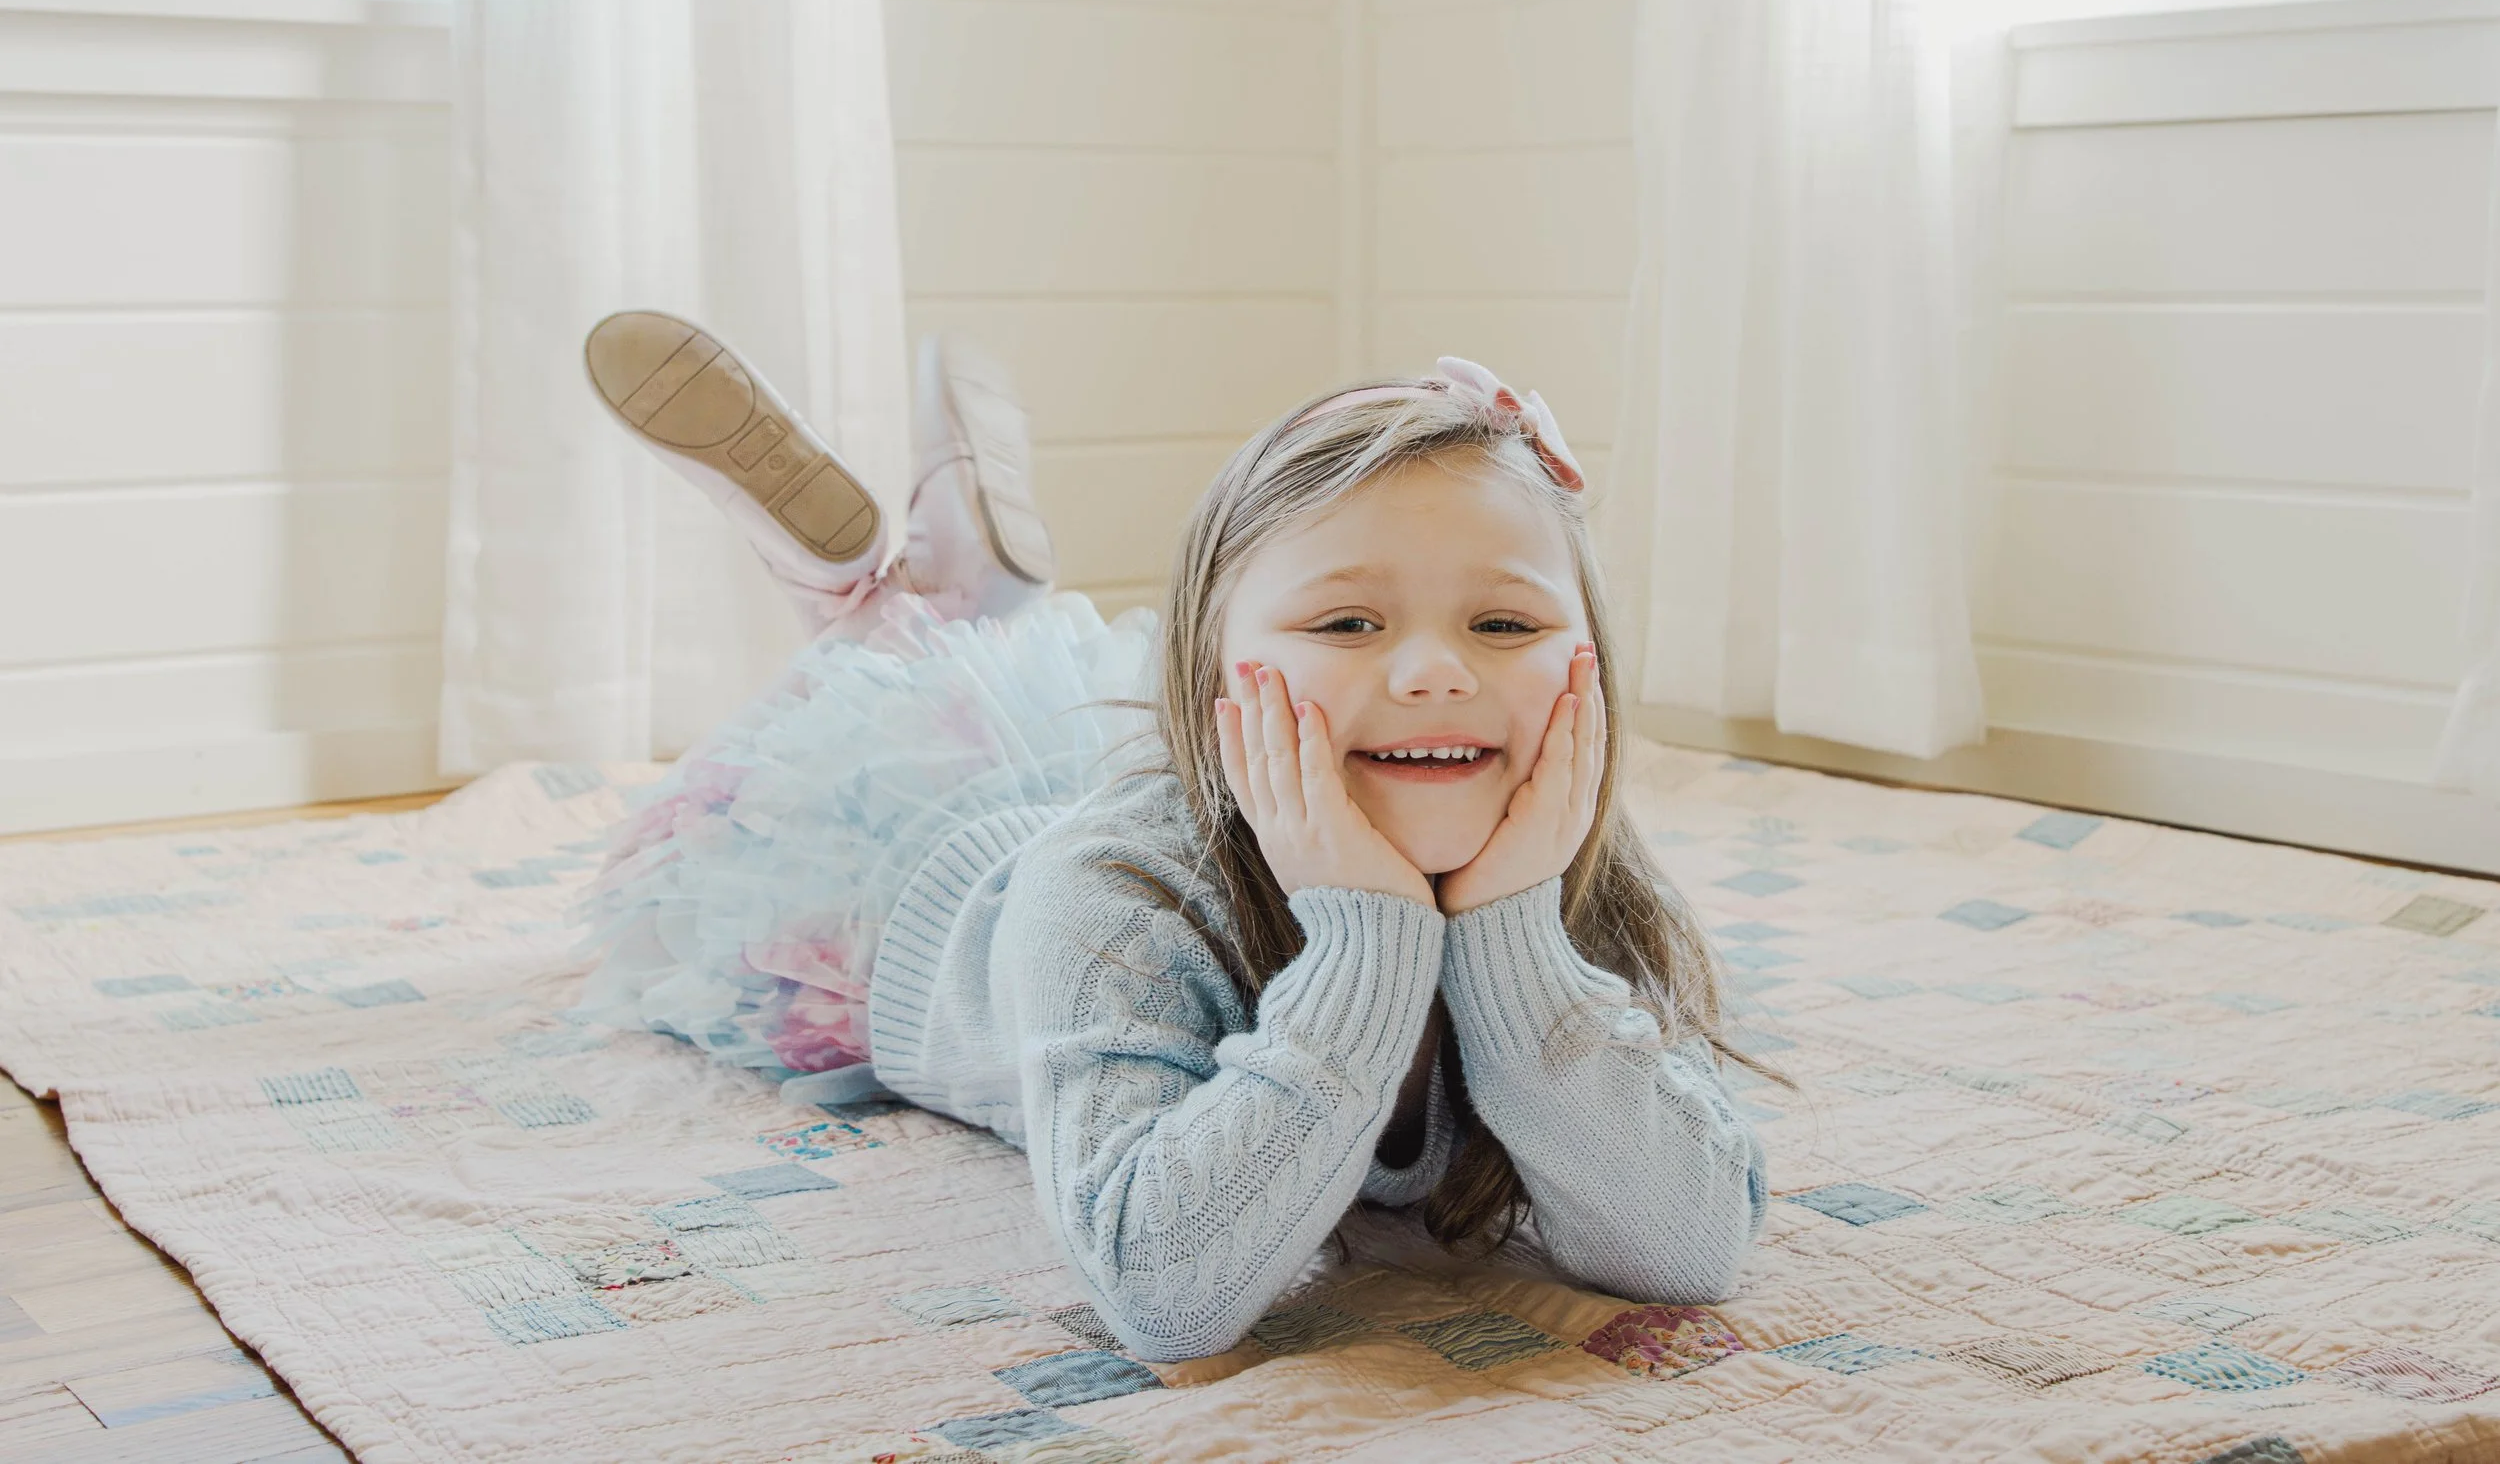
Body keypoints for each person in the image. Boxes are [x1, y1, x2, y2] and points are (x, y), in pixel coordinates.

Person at [576, 311, 1770, 1363]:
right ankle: (848, 590)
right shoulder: (1105, 892)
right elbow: (1163, 1295)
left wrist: (1512, 935)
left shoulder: (1573, 872)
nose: (1432, 671)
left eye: (1505, 620)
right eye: (1348, 619)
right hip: (898, 891)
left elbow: (1687, 1246)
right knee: (830, 725)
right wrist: (1370, 941)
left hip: (1059, 777)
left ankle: (952, 589)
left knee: (952, 676)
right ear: (1206, 670)